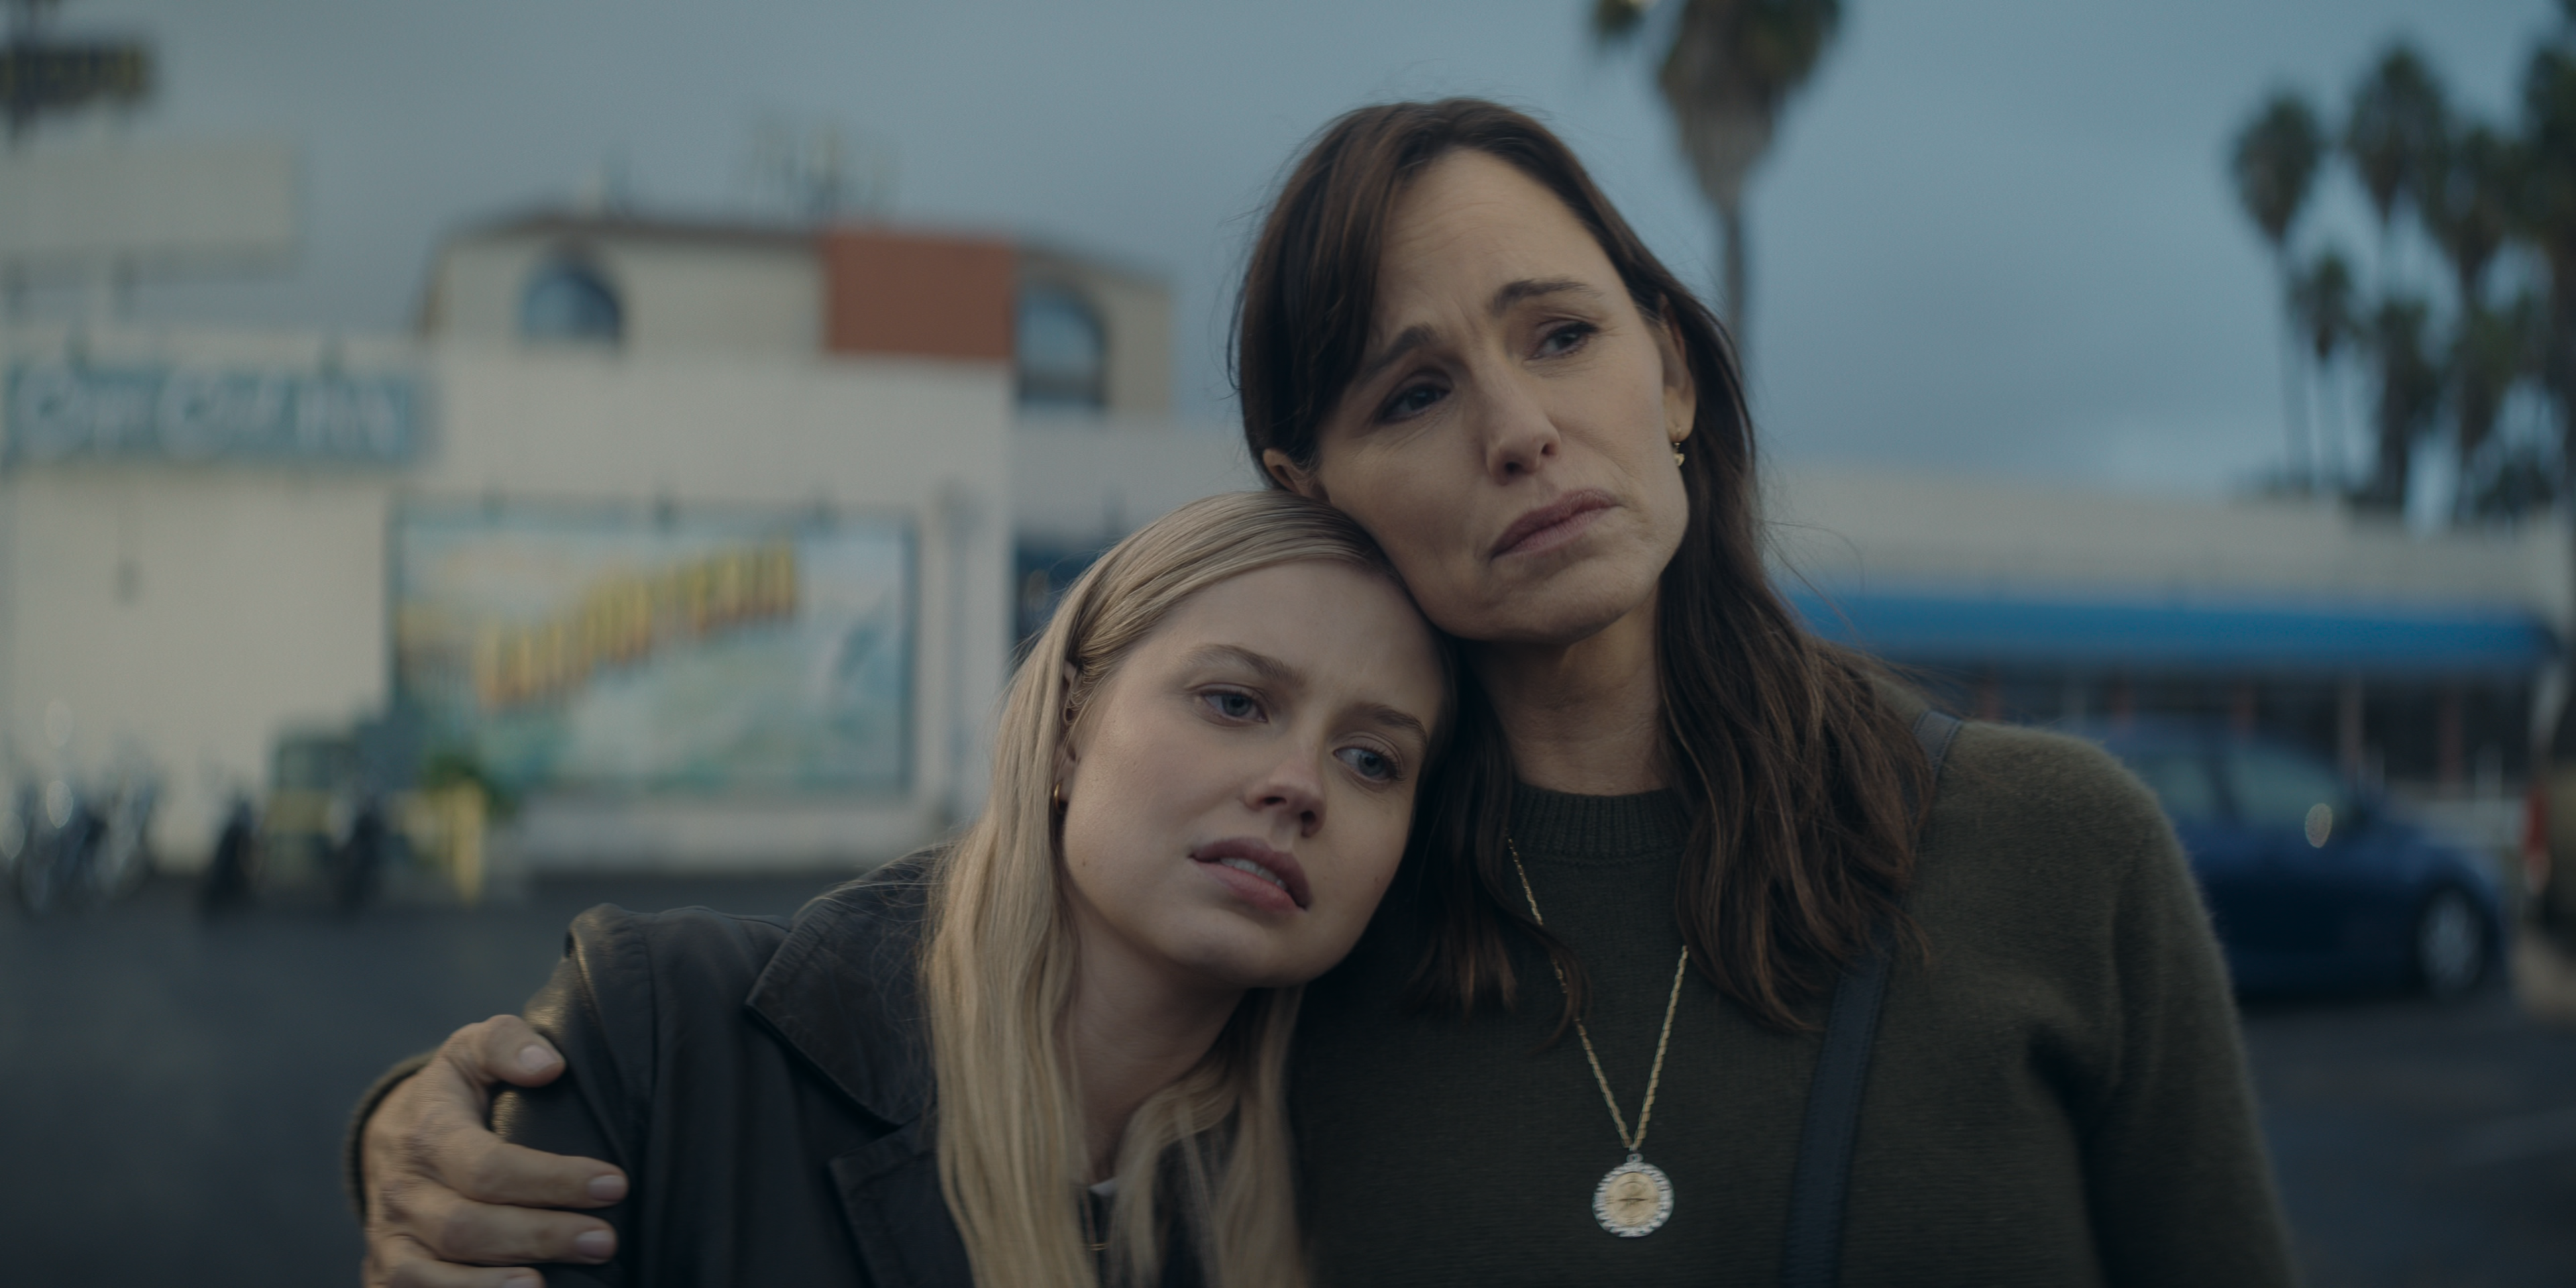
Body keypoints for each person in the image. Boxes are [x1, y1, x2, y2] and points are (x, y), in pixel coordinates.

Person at [354, 99, 2295, 1287]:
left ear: (1676, 376)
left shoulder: (2054, 851)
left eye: (1562, 336)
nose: (1520, 429)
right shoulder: (1324, 924)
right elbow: (933, 1004)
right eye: (1416, 389)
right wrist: (457, 1117)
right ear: (1317, 487)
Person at [378, 490, 1450, 1286]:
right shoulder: (665, 1028)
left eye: (1373, 760)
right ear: (1070, 726)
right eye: (1234, 702)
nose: (1298, 785)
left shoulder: (1362, 1184)